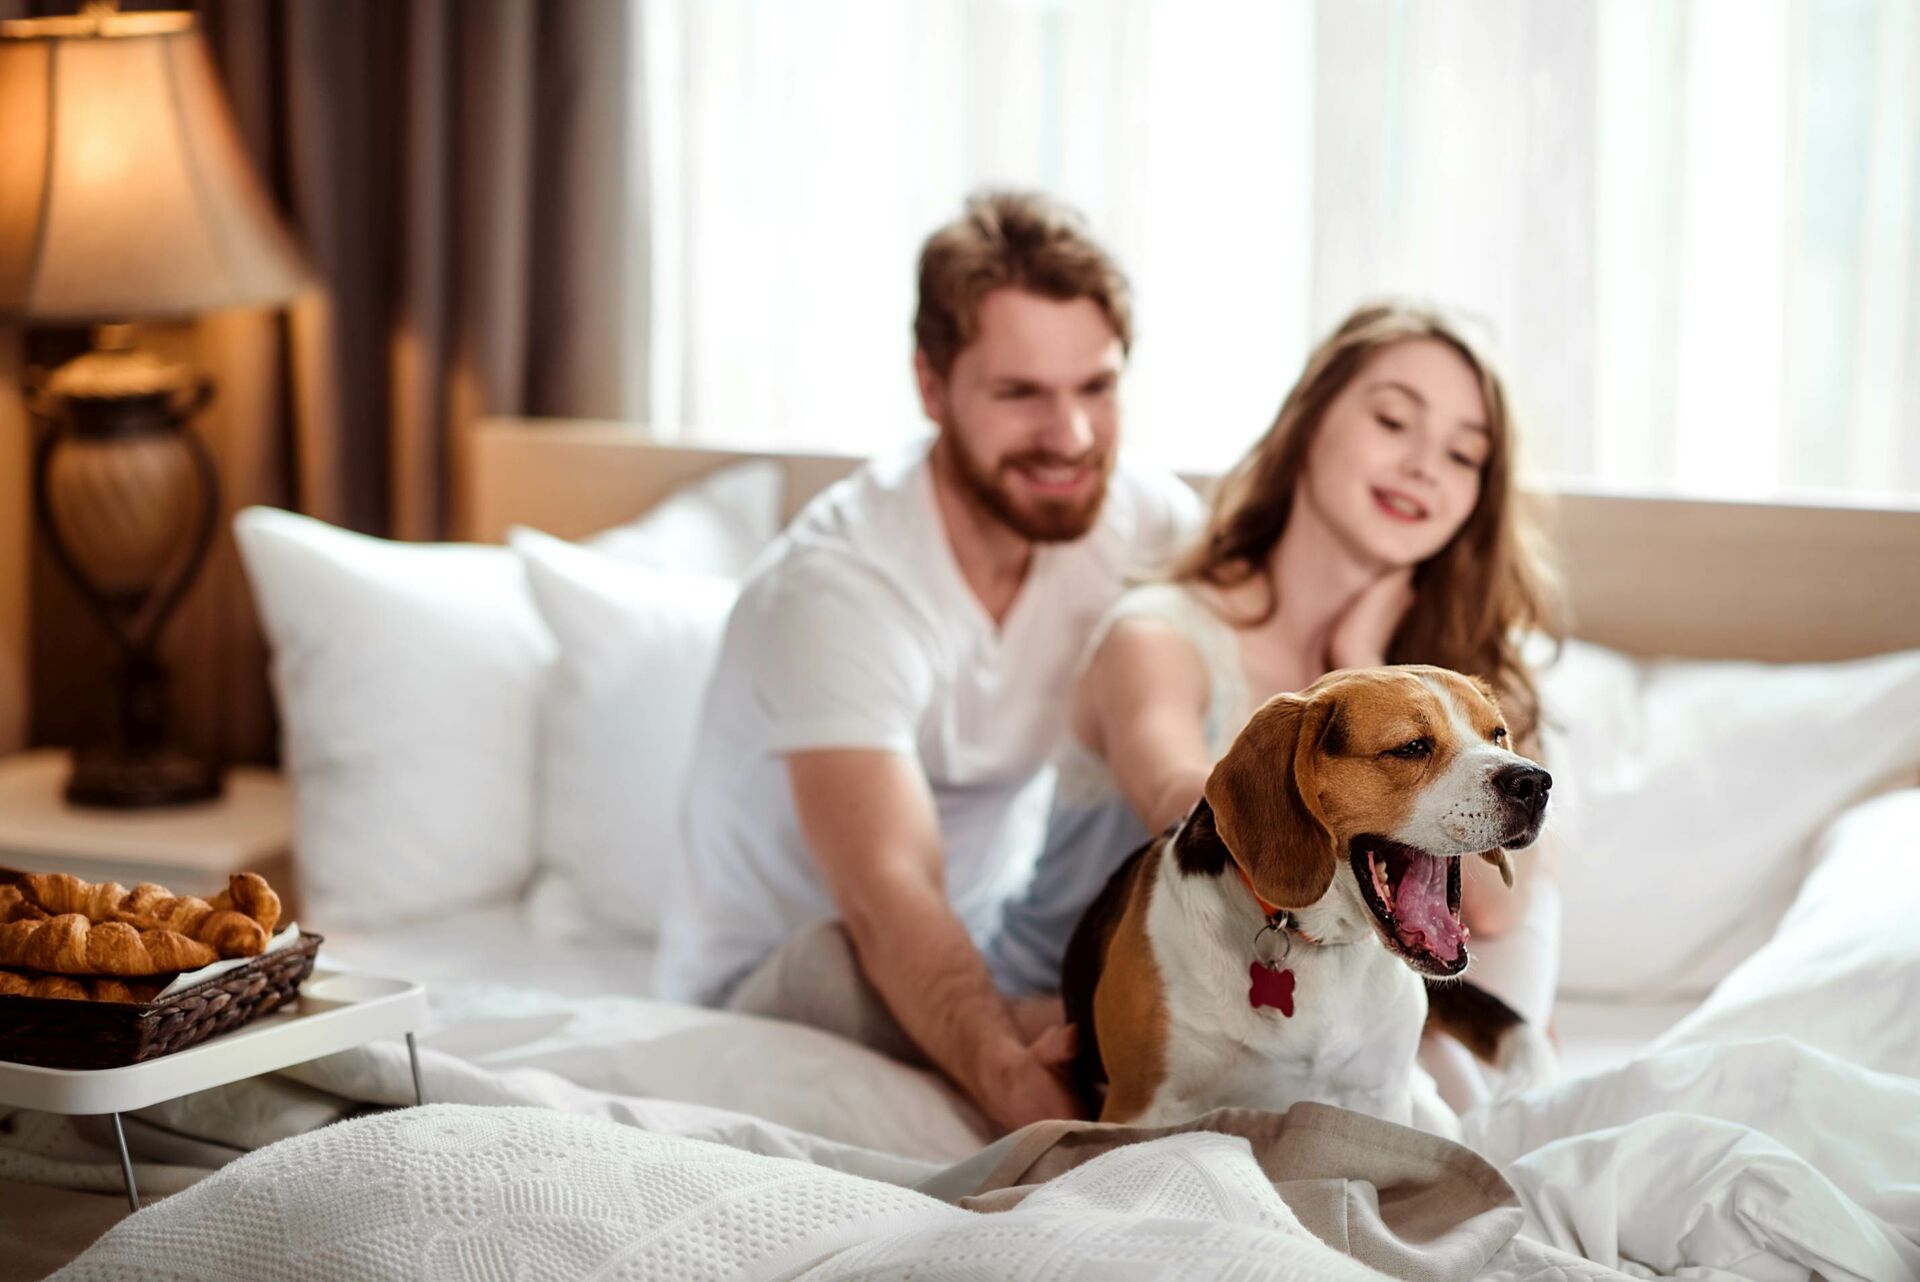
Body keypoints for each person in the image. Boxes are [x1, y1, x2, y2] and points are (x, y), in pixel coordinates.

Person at [654, 191, 1201, 1131]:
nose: (1070, 436)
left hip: (995, 947)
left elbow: (1256, 659)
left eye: (1096, 387)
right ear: (931, 386)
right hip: (784, 974)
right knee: (845, 955)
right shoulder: (840, 584)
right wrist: (1006, 1077)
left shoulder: (1141, 522)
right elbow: (886, 893)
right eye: (1021, 393)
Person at [987, 302, 1565, 1105]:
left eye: (1465, 455)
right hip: (1089, 1007)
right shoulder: (1157, 635)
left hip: (1305, 993)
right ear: (1308, 423)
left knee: (1529, 928)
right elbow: (1180, 798)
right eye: (1395, 420)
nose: (1426, 465)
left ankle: (1487, 1093)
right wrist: (1357, 683)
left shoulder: (1451, 685)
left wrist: (1367, 665)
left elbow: (1495, 910)